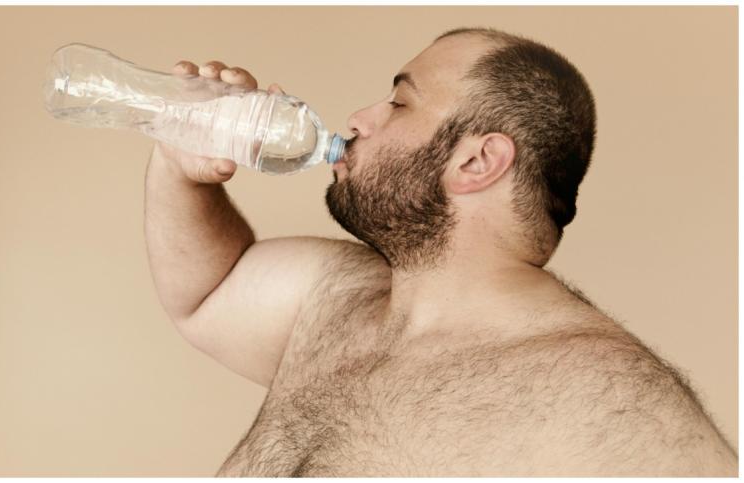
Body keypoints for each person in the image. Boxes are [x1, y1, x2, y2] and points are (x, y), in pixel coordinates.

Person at [143, 27, 737, 477]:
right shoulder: (336, 295)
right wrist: (181, 164)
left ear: (477, 162)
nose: (360, 118)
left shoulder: (605, 397)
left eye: (399, 103)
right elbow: (204, 294)